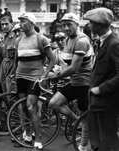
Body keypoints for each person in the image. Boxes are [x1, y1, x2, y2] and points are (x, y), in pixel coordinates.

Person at [47, 13, 93, 151]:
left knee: (85, 117)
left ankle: (84, 147)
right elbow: (67, 64)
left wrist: (56, 77)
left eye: (69, 25)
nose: (66, 28)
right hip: (74, 82)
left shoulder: (81, 41)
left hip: (85, 82)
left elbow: (73, 68)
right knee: (54, 103)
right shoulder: (68, 40)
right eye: (64, 25)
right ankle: (76, 122)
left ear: (77, 24)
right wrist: (57, 71)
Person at [15, 13, 55, 151]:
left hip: (34, 77)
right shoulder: (18, 40)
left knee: (31, 107)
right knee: (24, 108)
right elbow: (17, 60)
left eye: (23, 21)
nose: (20, 24)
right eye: (19, 21)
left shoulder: (41, 39)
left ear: (31, 23)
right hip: (20, 76)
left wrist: (44, 75)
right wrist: (14, 75)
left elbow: (52, 59)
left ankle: (38, 141)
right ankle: (27, 135)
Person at [84, 7, 119, 151]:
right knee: (97, 143)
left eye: (91, 22)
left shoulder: (114, 44)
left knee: (108, 143)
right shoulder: (103, 42)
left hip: (106, 102)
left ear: (99, 25)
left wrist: (100, 89)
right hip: (97, 102)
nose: (89, 25)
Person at [0, 15, 17, 94]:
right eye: (2, 24)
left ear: (11, 24)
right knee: (4, 91)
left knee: (11, 91)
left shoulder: (16, 37)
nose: (4, 26)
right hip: (4, 65)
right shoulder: (4, 37)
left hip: (12, 65)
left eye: (6, 24)